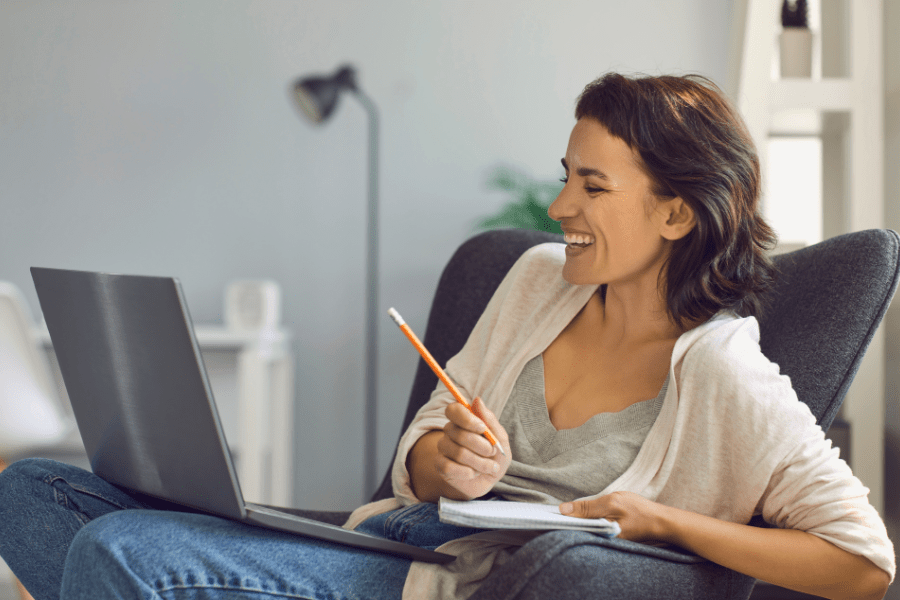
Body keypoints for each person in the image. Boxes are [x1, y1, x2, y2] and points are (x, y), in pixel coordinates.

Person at [0, 72, 893, 600]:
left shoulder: (726, 370)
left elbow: (863, 563)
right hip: (393, 534)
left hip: (448, 583)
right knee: (31, 493)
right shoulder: (539, 278)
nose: (559, 208)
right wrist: (448, 460)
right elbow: (424, 449)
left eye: (592, 185)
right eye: (563, 178)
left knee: (121, 554)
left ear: (674, 213)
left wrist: (662, 520)